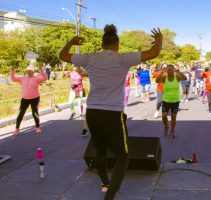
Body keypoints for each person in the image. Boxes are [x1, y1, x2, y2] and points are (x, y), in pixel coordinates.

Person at [59, 24, 162, 200]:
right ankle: (109, 197)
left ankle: (106, 182)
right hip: (112, 114)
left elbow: (62, 56)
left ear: (102, 43)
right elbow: (153, 53)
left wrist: (71, 42)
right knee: (122, 156)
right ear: (117, 44)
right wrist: (159, 39)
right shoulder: (122, 59)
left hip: (93, 112)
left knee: (100, 151)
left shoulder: (90, 58)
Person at [10, 65, 47, 135]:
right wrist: (12, 71)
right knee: (21, 114)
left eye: (30, 71)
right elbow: (13, 79)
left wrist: (42, 71)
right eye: (28, 71)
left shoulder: (37, 78)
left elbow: (45, 78)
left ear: (33, 71)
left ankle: (37, 127)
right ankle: (17, 129)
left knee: (35, 113)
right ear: (26, 71)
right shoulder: (22, 78)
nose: (29, 72)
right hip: (24, 99)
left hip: (35, 98)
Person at [156, 64, 187, 138]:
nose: (169, 71)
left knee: (173, 117)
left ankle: (172, 131)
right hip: (166, 100)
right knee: (164, 116)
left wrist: (179, 71)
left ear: (173, 70)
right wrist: (161, 72)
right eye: (168, 69)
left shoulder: (177, 77)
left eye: (171, 69)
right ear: (166, 70)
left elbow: (185, 78)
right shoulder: (164, 77)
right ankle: (166, 125)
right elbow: (157, 80)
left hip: (175, 101)